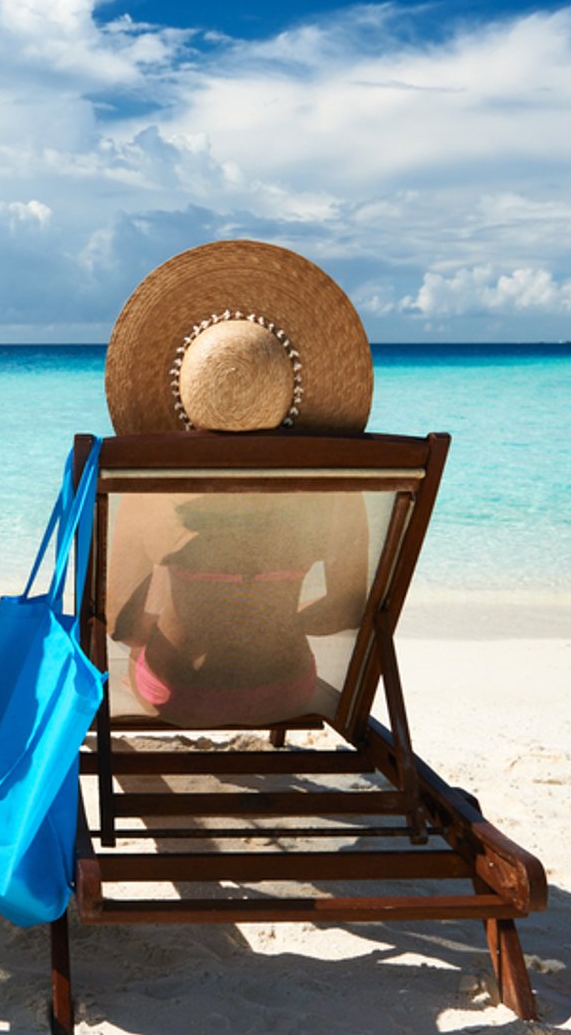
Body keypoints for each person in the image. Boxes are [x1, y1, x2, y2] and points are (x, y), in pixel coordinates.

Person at [97, 240, 377, 726]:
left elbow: (120, 622)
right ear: (289, 386)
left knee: (142, 642)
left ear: (184, 387)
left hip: (178, 693)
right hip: (288, 688)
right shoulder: (336, 484)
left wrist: (173, 620)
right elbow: (348, 609)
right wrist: (274, 622)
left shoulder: (147, 485)